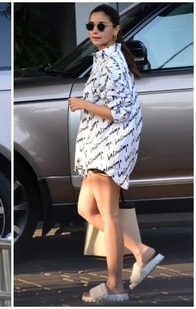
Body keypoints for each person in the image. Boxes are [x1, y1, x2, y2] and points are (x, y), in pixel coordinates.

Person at [68, 4, 164, 303]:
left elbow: (119, 112)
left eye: (101, 26)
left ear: (115, 30)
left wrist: (82, 103)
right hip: (99, 145)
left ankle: (115, 286)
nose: (94, 31)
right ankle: (140, 251)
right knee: (87, 209)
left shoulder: (111, 63)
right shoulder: (104, 59)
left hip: (108, 147)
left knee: (108, 216)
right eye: (90, 26)